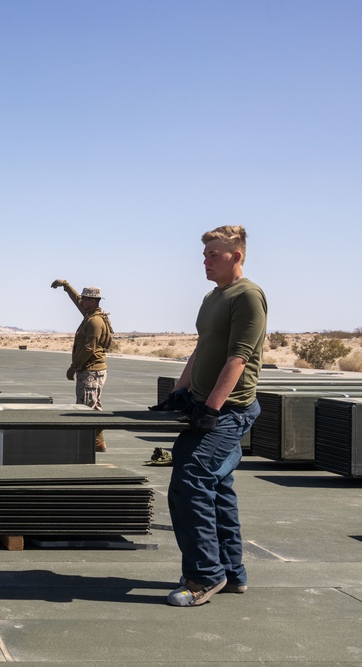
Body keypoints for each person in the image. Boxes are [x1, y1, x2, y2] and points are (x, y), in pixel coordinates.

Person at [153, 225, 266, 607]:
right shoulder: (212, 296)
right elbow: (202, 349)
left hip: (231, 410)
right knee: (216, 486)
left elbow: (239, 357)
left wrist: (210, 409)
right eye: (204, 255)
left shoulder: (247, 296)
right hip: (211, 405)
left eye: (214, 254)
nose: (206, 260)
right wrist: (179, 393)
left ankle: (204, 575)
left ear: (237, 255)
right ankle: (232, 573)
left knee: (190, 479)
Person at [50, 280, 114, 451]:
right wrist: (66, 286)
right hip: (91, 369)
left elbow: (89, 347)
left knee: (87, 407)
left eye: (85, 300)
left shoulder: (94, 321)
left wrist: (74, 366)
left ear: (92, 302)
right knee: (91, 404)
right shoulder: (92, 315)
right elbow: (77, 299)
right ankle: (96, 442)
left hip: (91, 370)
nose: (81, 302)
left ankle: (94, 443)